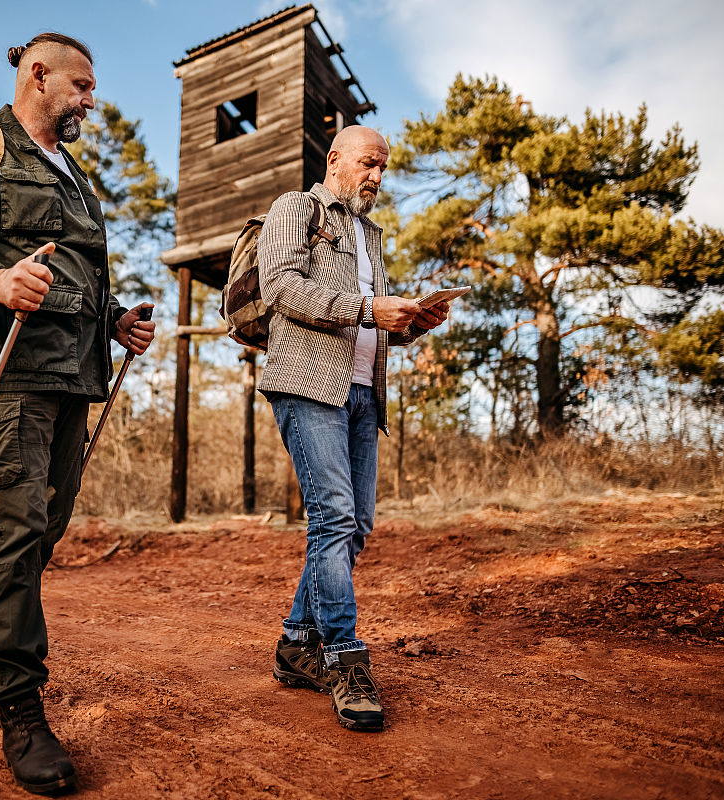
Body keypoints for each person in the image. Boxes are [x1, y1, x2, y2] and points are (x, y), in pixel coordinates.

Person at [0, 32, 154, 795]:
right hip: (6, 374)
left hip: (74, 378)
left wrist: (115, 319)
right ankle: (18, 703)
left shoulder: (74, 176)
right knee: (14, 530)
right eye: (80, 85)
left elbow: (72, 272)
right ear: (36, 75)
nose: (90, 99)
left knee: (41, 530)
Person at [257, 125, 450, 731]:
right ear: (334, 159)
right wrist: (370, 309)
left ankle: (295, 643)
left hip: (364, 390)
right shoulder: (296, 208)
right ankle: (342, 656)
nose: (377, 176)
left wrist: (411, 321)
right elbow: (281, 285)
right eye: (369, 164)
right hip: (308, 384)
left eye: (384, 168)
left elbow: (373, 319)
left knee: (354, 525)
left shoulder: (371, 234)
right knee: (334, 518)